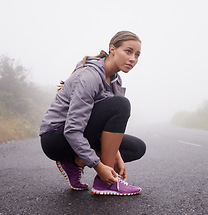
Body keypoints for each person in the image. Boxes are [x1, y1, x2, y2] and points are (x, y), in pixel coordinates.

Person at [40, 31, 146, 196]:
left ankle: (74, 163)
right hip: (55, 138)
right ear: (112, 49)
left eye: (137, 54)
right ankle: (105, 183)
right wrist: (99, 166)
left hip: (81, 133)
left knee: (136, 148)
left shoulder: (116, 80)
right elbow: (72, 129)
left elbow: (109, 125)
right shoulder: (89, 76)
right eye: (128, 51)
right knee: (121, 104)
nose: (133, 58)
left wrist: (116, 155)